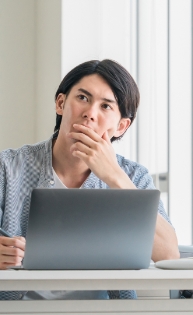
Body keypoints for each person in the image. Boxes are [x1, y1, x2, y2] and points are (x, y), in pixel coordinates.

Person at [0, 59, 179, 300]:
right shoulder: (7, 167)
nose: (90, 114)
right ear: (61, 103)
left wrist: (114, 177)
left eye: (106, 107)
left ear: (122, 126)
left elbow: (169, 255)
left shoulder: (134, 176)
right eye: (83, 98)